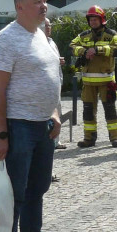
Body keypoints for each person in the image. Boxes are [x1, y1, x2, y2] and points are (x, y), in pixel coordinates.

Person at [0, 0, 70, 232]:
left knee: (38, 189)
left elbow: (52, 79)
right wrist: (1, 134)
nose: (44, 5)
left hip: (44, 125)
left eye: (45, 0)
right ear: (20, 6)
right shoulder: (7, 39)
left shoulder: (44, 37)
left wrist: (55, 114)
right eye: (37, 1)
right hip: (19, 124)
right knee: (15, 193)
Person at [70, 5, 117, 148]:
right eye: (91, 19)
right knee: (88, 112)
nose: (93, 22)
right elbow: (72, 46)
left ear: (102, 20)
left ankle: (115, 138)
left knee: (110, 110)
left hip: (107, 81)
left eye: (95, 19)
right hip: (88, 83)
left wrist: (98, 50)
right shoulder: (83, 36)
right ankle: (89, 139)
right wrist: (83, 51)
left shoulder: (112, 35)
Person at [42, 18, 67, 152]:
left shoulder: (52, 42)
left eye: (49, 25)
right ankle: (49, 140)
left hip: (56, 82)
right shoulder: (38, 42)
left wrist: (59, 61)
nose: (48, 28)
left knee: (58, 111)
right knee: (49, 112)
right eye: (45, 25)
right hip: (45, 84)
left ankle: (56, 140)